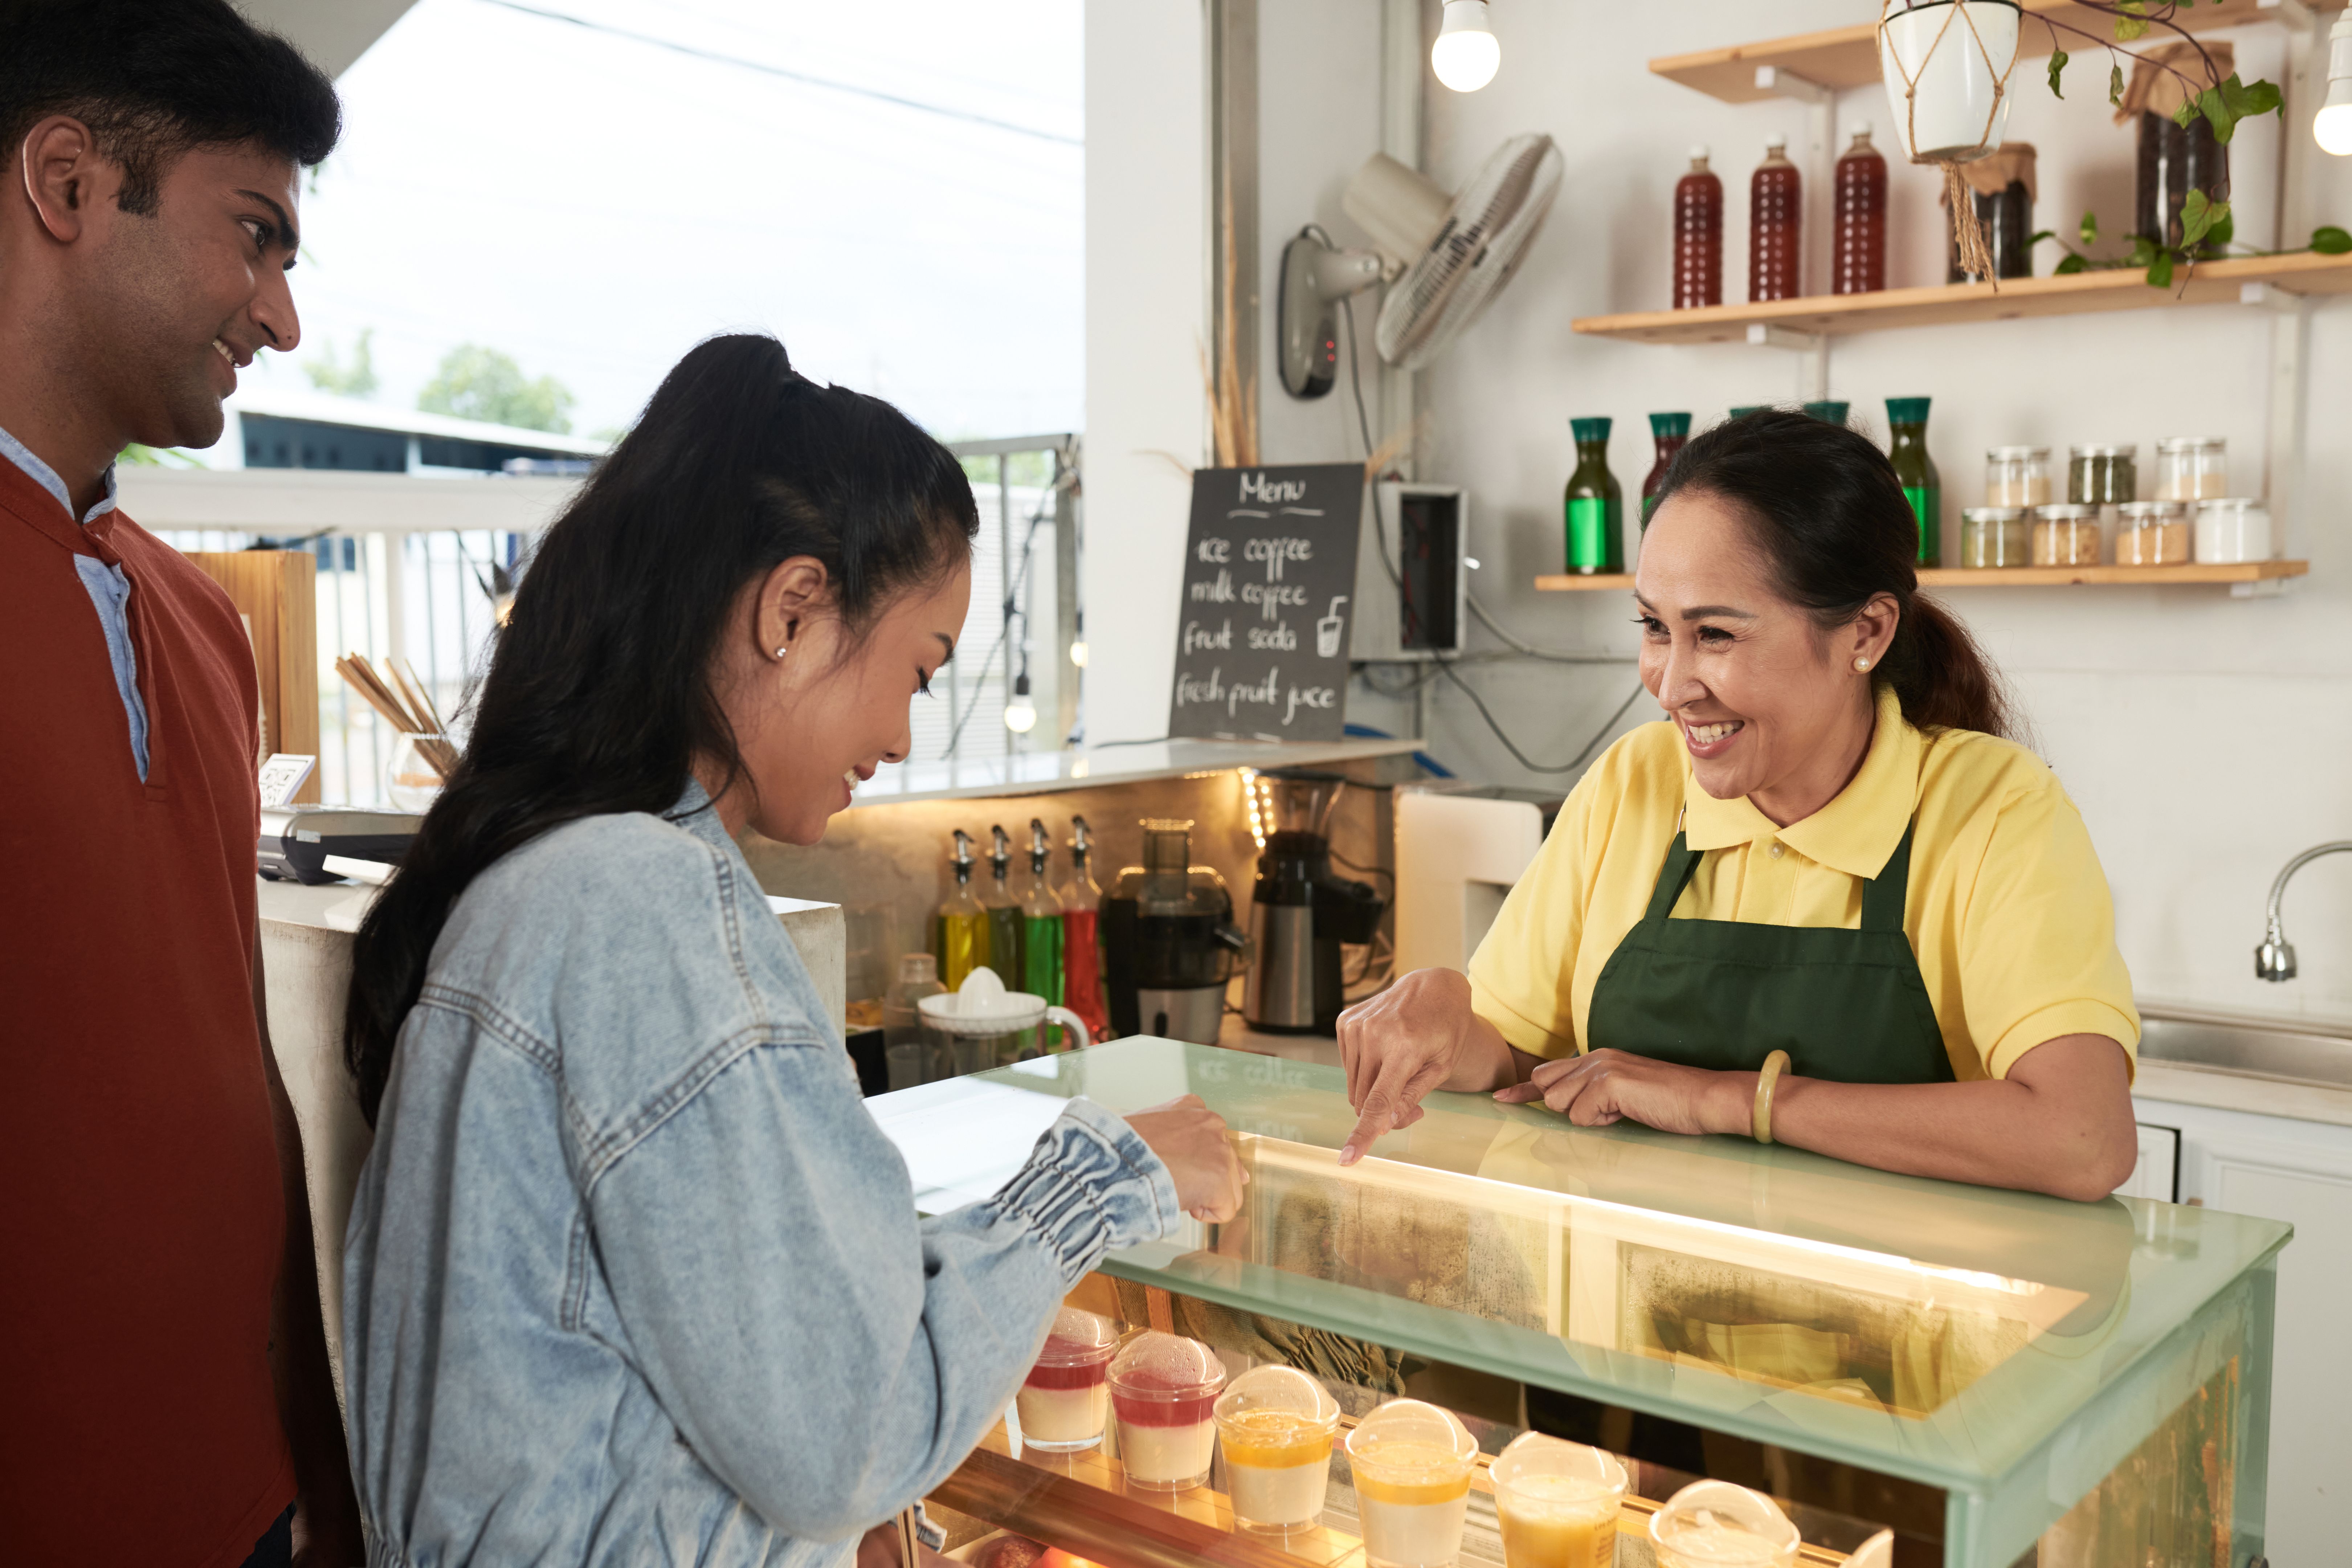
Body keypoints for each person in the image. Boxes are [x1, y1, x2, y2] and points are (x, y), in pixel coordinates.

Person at [340, 334, 1248, 1564]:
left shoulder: (546, 877)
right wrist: (1094, 1182)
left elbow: (724, 1355)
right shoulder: (644, 907)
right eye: (919, 672)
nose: (906, 738)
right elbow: (845, 1434)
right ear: (793, 609)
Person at [1336, 411, 2141, 1202]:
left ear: (1867, 631)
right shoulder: (1635, 783)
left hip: (1891, 1324)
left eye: (1715, 635)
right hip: (1627, 1320)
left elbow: (2082, 1140)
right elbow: (1516, 1057)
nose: (1671, 682)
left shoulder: (1991, 808)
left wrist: (1721, 1099)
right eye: (1655, 626)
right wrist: (1444, 1010)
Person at [0, 4, 361, 1564]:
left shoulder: (208, 627)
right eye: (256, 238)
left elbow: (239, 1083)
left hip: (244, 1502)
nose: (280, 319)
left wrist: (321, 1472)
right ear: (69, 185)